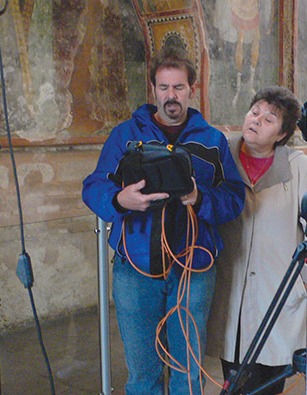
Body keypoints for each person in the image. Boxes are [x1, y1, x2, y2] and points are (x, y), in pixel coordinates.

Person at [82, 45, 245, 395]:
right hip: (136, 269)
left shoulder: (213, 141)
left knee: (188, 371)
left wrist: (200, 198)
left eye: (179, 87)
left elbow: (234, 199)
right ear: (153, 89)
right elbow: (93, 186)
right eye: (164, 87)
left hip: (194, 269)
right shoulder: (125, 135)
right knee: (143, 375)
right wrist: (119, 199)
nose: (171, 96)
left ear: (192, 89)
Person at [207, 86, 307, 394]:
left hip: (279, 295)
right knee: (234, 380)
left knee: (269, 385)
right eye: (254, 112)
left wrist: (306, 286)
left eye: (269, 119)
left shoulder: (299, 167)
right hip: (230, 294)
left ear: (282, 134)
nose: (256, 120)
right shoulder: (220, 157)